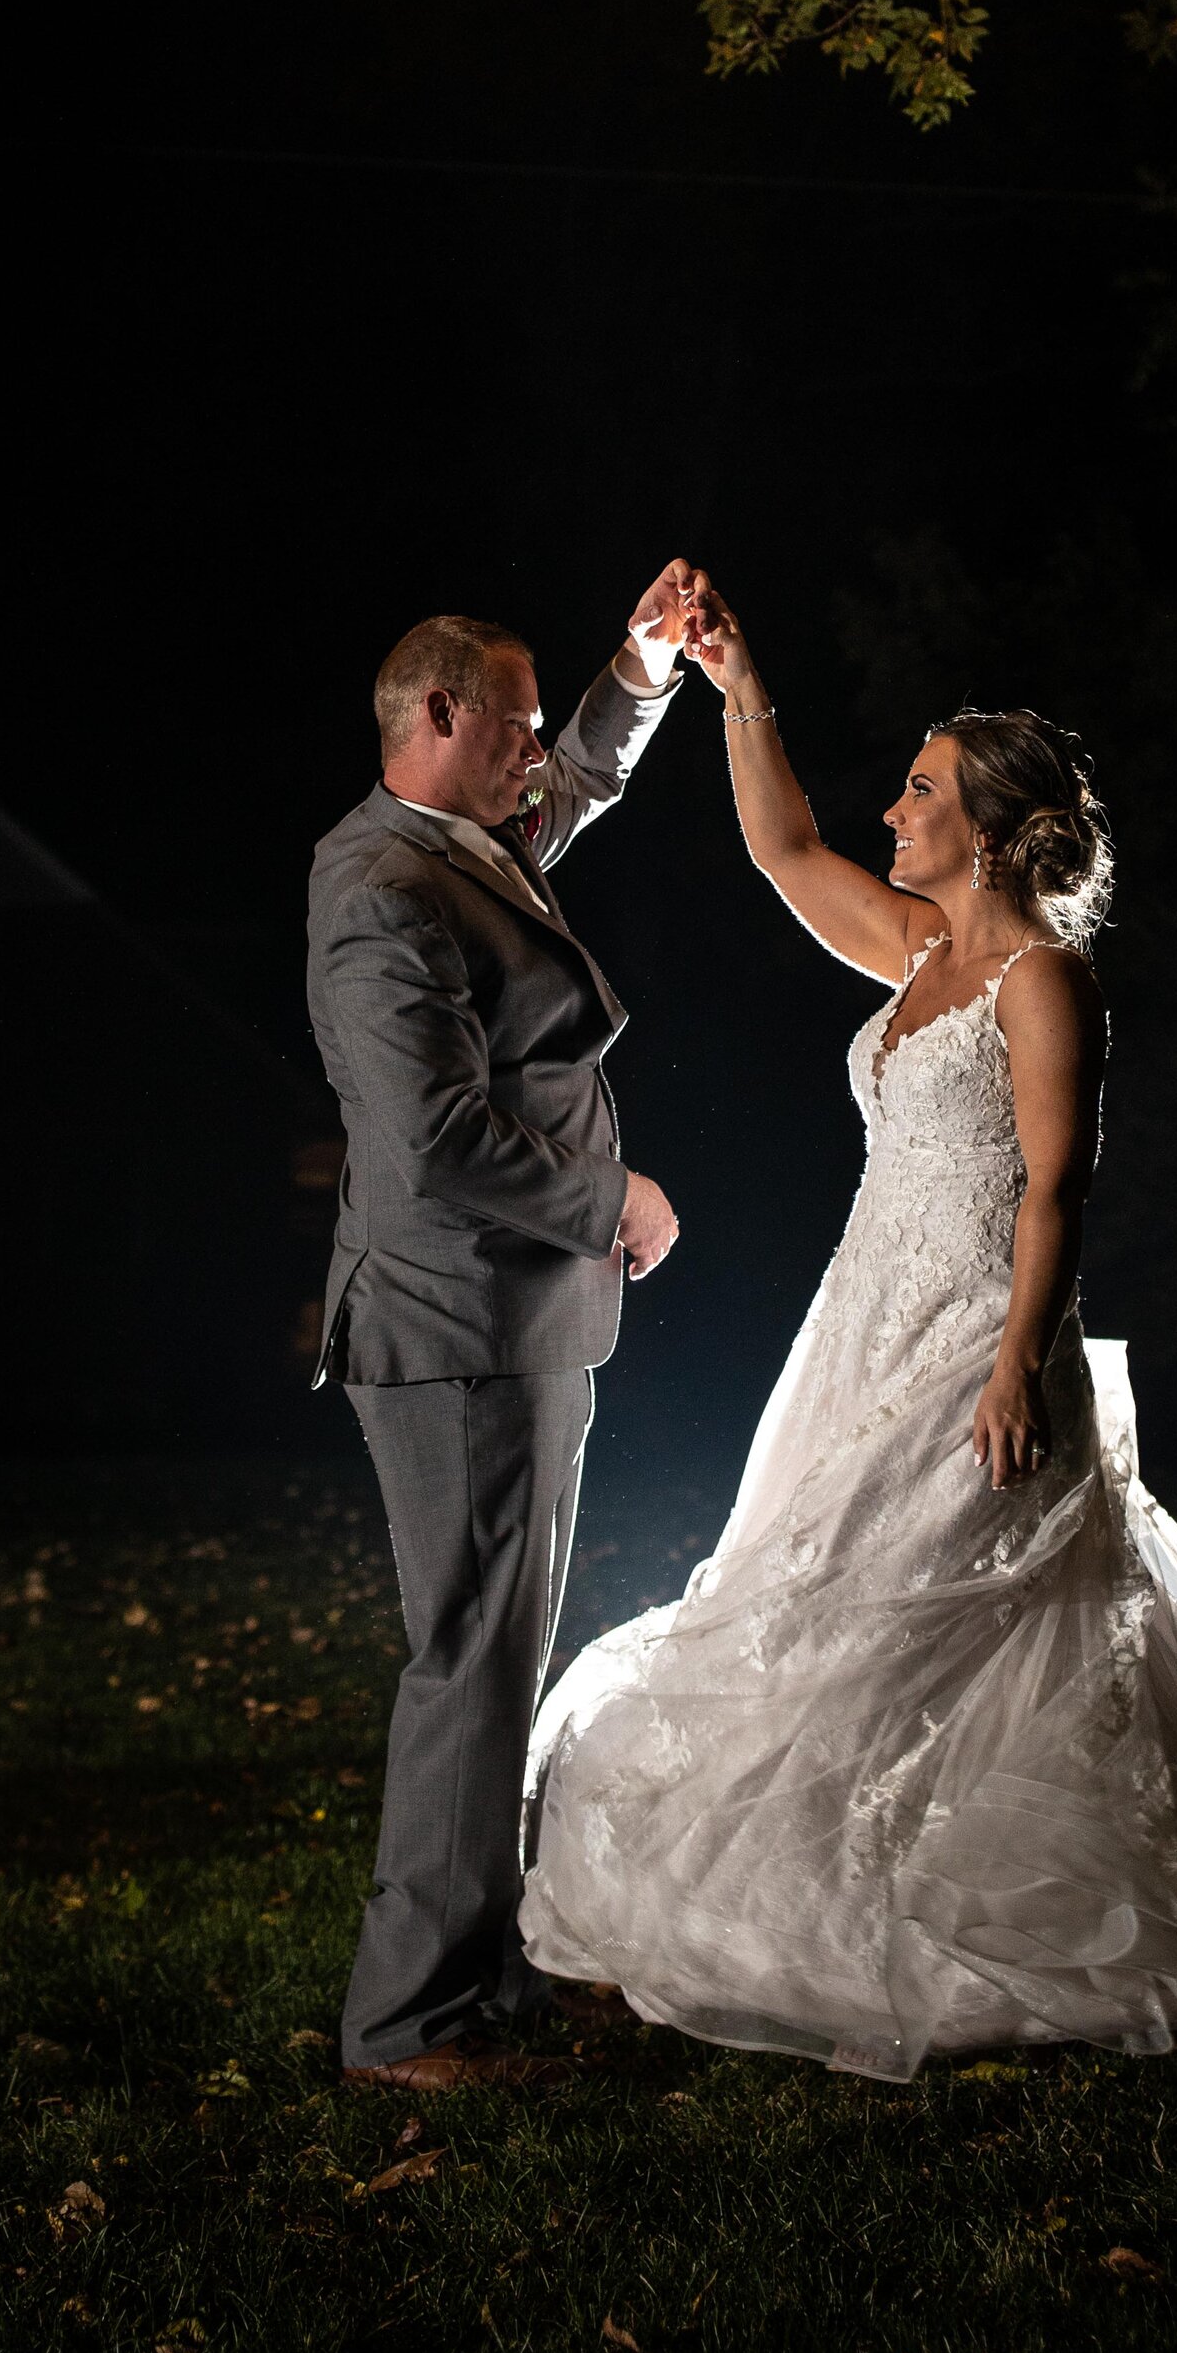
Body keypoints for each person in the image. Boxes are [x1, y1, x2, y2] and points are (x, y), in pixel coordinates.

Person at [518, 585, 1177, 2078]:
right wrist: (739, 679)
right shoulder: (919, 948)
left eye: (920, 788)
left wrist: (1013, 1366)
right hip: (863, 1322)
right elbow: (783, 847)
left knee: (950, 1609)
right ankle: (830, 1866)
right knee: (816, 1594)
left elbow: (1057, 1184)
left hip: (974, 1342)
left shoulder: (1043, 977)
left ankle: (996, 1903)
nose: (893, 806)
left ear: (986, 826)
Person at [307, 568, 698, 2089]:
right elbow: (432, 1143)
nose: (541, 754)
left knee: (496, 1654)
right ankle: (409, 2024)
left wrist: (640, 663)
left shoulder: (463, 842)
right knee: (470, 1661)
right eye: (519, 726)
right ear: (441, 713)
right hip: (457, 1324)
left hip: (506, 1319)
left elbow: (583, 779)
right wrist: (611, 1196)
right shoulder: (384, 886)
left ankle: (480, 1975)